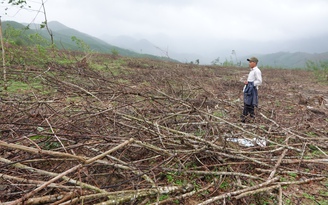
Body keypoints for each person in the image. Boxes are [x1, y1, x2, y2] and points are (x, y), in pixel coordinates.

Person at [241, 57, 262, 123]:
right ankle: (251, 118)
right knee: (248, 104)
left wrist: (251, 84)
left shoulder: (257, 71)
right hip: (248, 89)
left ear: (254, 63)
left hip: (252, 90)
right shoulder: (252, 71)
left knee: (248, 104)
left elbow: (259, 81)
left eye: (250, 62)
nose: (249, 63)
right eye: (249, 62)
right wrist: (247, 83)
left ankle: (244, 119)